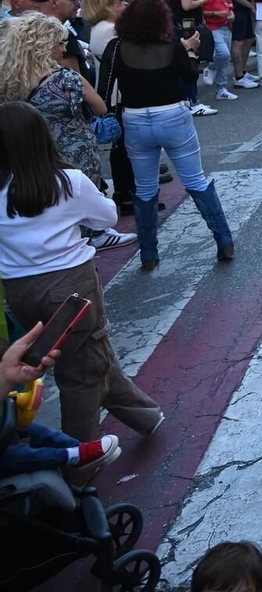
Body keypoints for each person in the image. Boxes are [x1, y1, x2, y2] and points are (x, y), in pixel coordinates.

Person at [0, 101, 163, 442]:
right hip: (71, 284)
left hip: (19, 291)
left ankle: (145, 416)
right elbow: (106, 218)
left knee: (91, 354)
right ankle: (81, 457)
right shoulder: (67, 182)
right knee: (82, 371)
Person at [101, 0, 234, 270]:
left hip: (135, 118)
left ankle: (148, 253)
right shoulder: (172, 47)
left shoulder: (116, 48)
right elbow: (189, 78)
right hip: (173, 114)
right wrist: (192, 52)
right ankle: (224, 240)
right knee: (196, 180)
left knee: (146, 188)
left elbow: (104, 89)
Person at [0, 13, 106, 197]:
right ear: (44, 46)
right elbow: (101, 108)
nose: (64, 49)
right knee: (83, 207)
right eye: (60, 43)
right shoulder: (66, 79)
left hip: (27, 155)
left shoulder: (7, 81)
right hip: (74, 153)